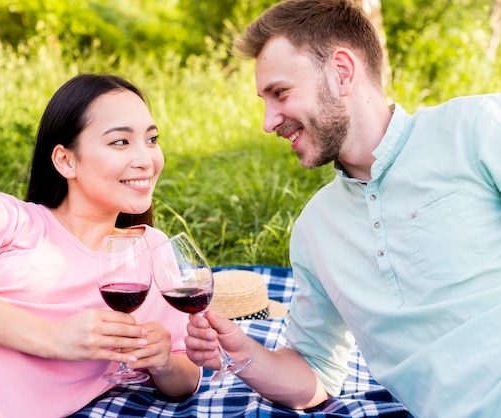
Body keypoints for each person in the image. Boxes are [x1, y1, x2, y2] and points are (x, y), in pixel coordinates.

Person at [184, 1, 501, 417]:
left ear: (342, 71)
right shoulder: (315, 230)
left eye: (280, 93)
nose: (268, 121)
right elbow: (314, 375)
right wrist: (244, 350)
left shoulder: (476, 127)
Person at [0, 73, 201, 418]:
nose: (145, 159)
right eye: (120, 142)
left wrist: (162, 363)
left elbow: (188, 374)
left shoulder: (154, 254)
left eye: (152, 139)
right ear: (65, 161)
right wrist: (53, 338)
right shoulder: (5, 216)